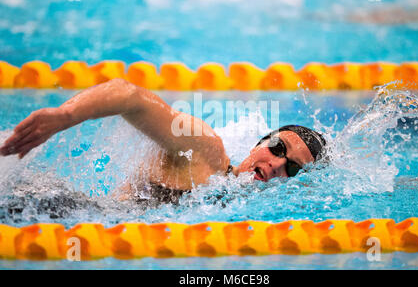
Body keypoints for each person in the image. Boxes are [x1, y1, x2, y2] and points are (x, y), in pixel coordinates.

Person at [0, 78, 326, 202]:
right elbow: (130, 96)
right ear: (260, 143)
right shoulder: (206, 153)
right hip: (49, 206)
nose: (277, 164)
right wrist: (65, 117)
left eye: (293, 169)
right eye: (278, 148)